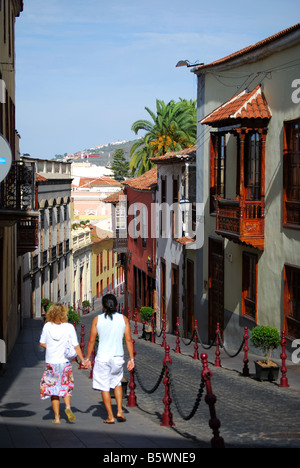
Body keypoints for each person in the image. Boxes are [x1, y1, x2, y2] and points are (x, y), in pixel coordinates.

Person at [85, 294, 135, 424]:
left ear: (103, 306)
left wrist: (87, 358)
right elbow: (129, 340)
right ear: (116, 306)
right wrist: (131, 359)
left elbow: (91, 341)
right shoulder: (123, 319)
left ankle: (110, 416)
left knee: (104, 387)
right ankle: (119, 410)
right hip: (117, 357)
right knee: (117, 383)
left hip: (102, 357)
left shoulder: (97, 319)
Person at [39, 303, 88, 424]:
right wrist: (83, 360)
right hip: (65, 363)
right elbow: (76, 347)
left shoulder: (47, 327)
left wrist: (51, 347)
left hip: (51, 364)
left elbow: (42, 343)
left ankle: (56, 418)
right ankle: (67, 407)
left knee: (53, 391)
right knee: (66, 387)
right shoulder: (69, 327)